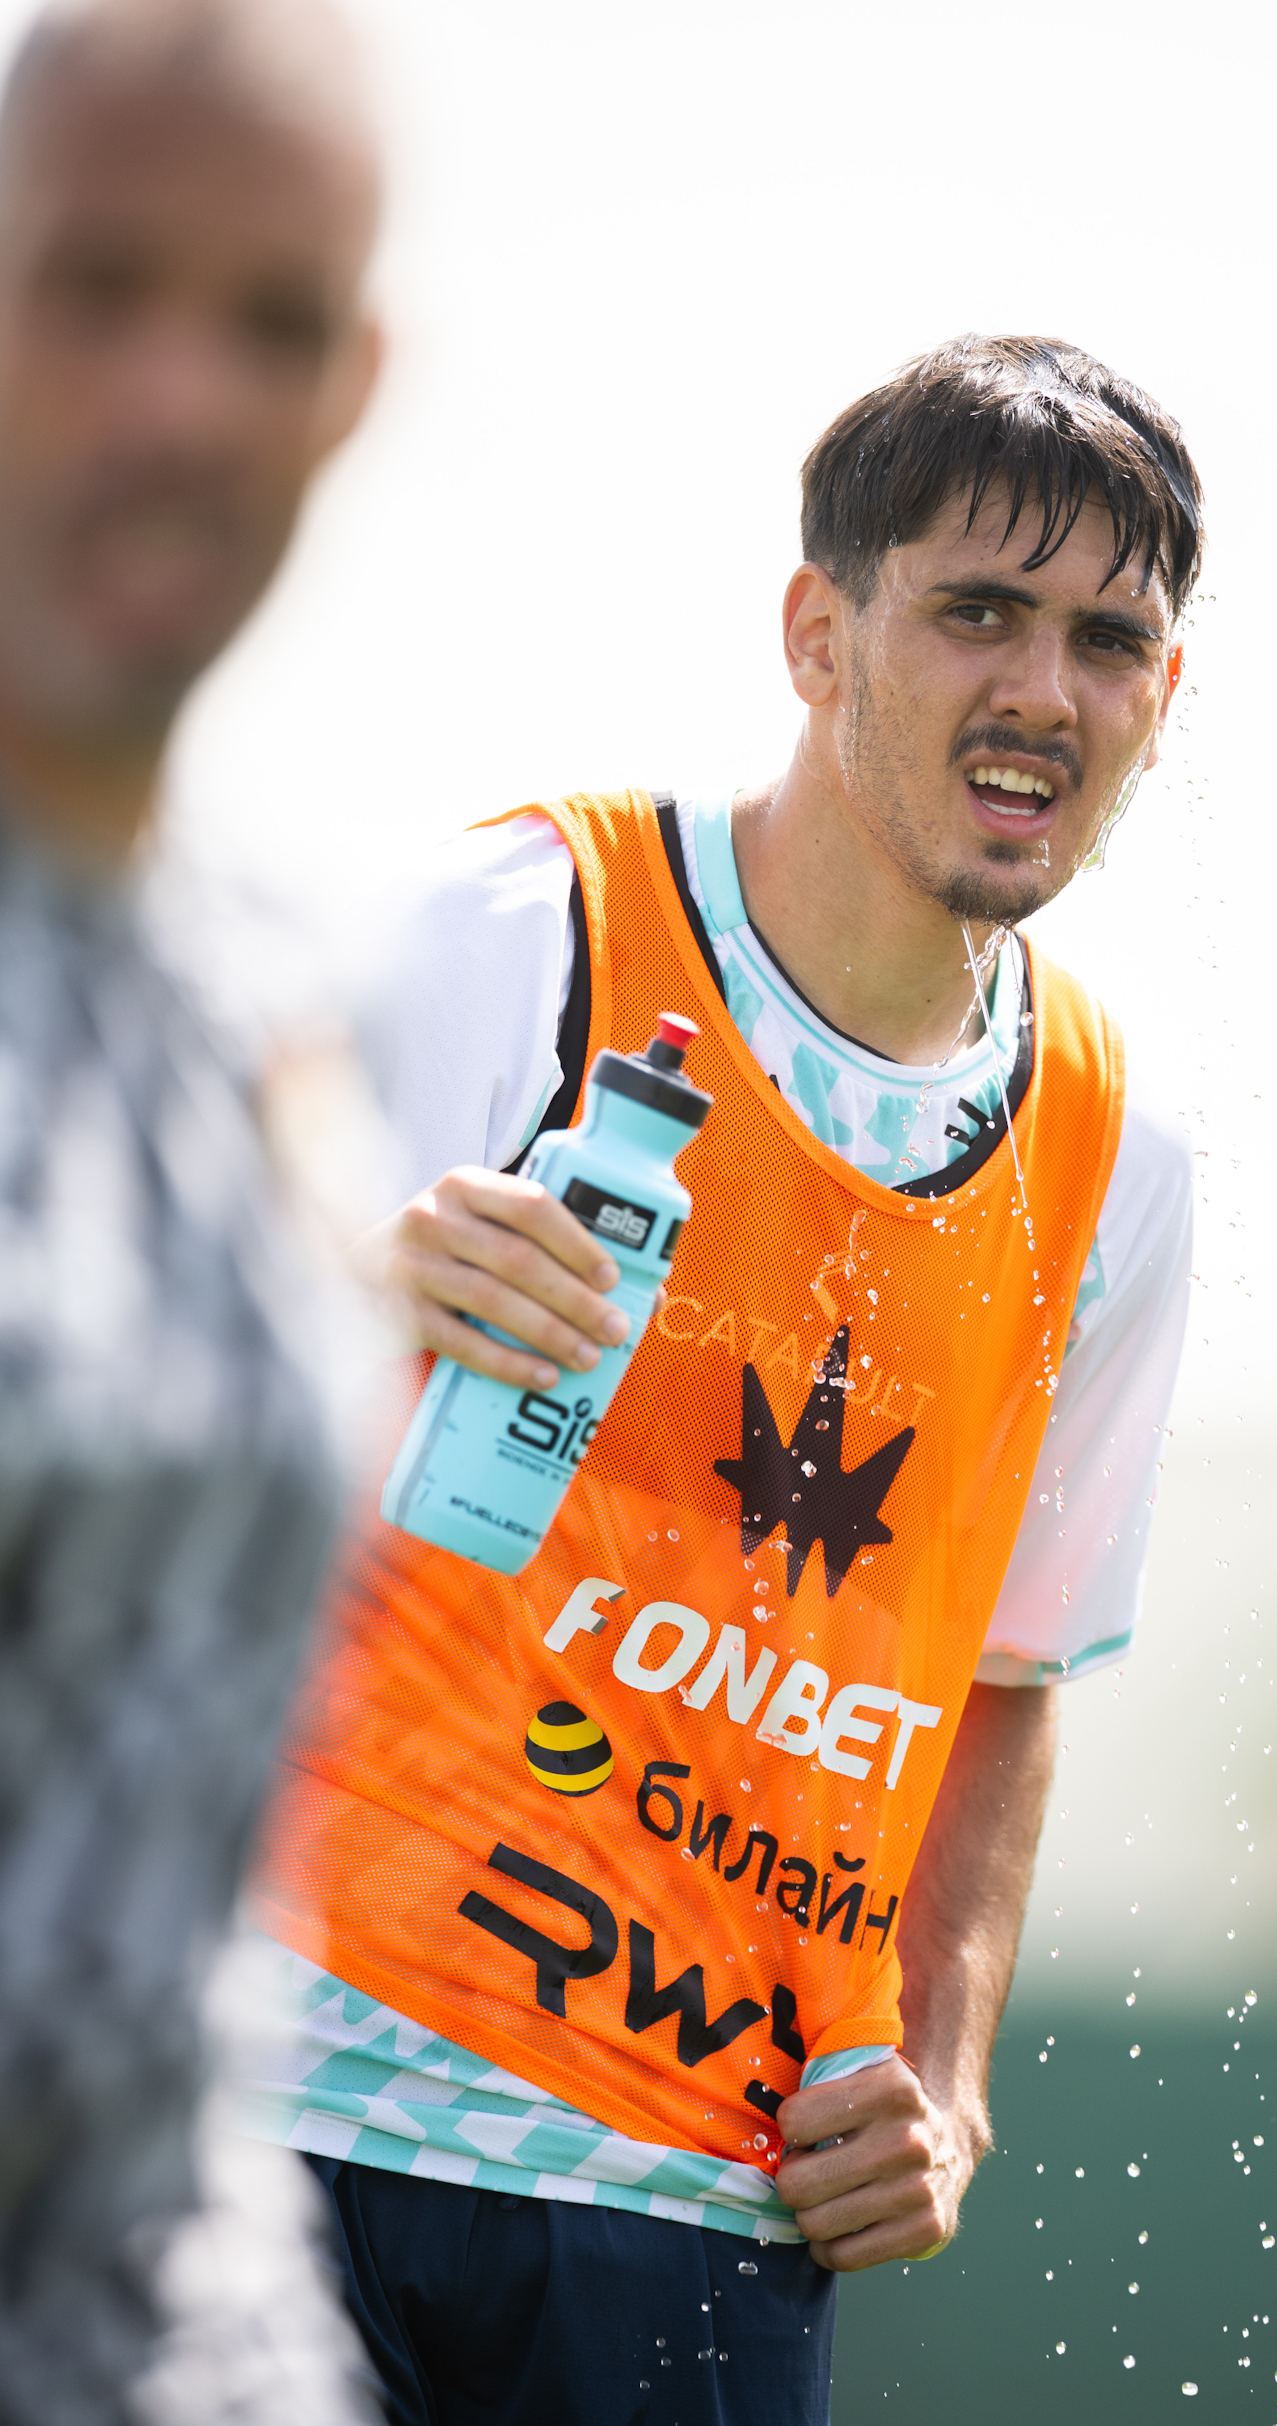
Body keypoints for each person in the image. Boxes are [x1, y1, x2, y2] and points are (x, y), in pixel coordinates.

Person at [248, 334, 1203, 2426]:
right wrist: (341, 1287)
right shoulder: (515, 934)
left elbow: (1009, 1671)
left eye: (1108, 639)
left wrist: (941, 2071)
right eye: (977, 610)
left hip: (700, 2206)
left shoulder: (1113, 1157)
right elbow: (121, 1394)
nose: (1042, 689)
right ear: (815, 632)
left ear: (1163, 697)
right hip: (264, 2116)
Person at [0, 2, 383, 2418]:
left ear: (354, 388)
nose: (179, 401)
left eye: (268, 323)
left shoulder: (266, 994)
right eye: (93, 284)